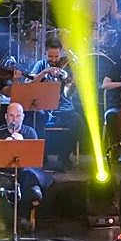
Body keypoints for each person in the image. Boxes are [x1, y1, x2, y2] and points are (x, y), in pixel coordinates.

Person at [0, 102, 51, 230]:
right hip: (5, 172)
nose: (14, 120)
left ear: (23, 117)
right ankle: (3, 220)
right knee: (1, 185)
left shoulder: (30, 132)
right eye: (11, 116)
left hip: (24, 172)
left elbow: (35, 159)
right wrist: (4, 147)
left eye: (18, 116)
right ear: (6, 116)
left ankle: (23, 217)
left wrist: (22, 143)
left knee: (29, 181)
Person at [28, 39, 82, 170]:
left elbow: (69, 92)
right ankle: (42, 157)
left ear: (60, 53)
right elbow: (29, 84)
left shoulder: (66, 66)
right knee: (37, 119)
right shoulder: (40, 64)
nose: (53, 59)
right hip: (43, 106)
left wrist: (73, 81)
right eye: (50, 56)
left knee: (78, 122)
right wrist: (45, 72)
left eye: (56, 56)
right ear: (45, 53)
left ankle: (64, 156)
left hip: (63, 107)